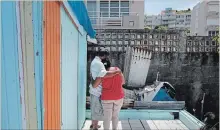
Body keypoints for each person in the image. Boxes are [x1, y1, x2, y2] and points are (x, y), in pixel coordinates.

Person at [89, 50, 121, 130]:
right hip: (96, 91)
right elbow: (104, 74)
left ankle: (94, 125)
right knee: (96, 109)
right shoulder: (99, 64)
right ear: (103, 56)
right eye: (106, 56)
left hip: (96, 90)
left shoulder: (95, 62)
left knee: (95, 108)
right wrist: (116, 72)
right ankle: (95, 127)